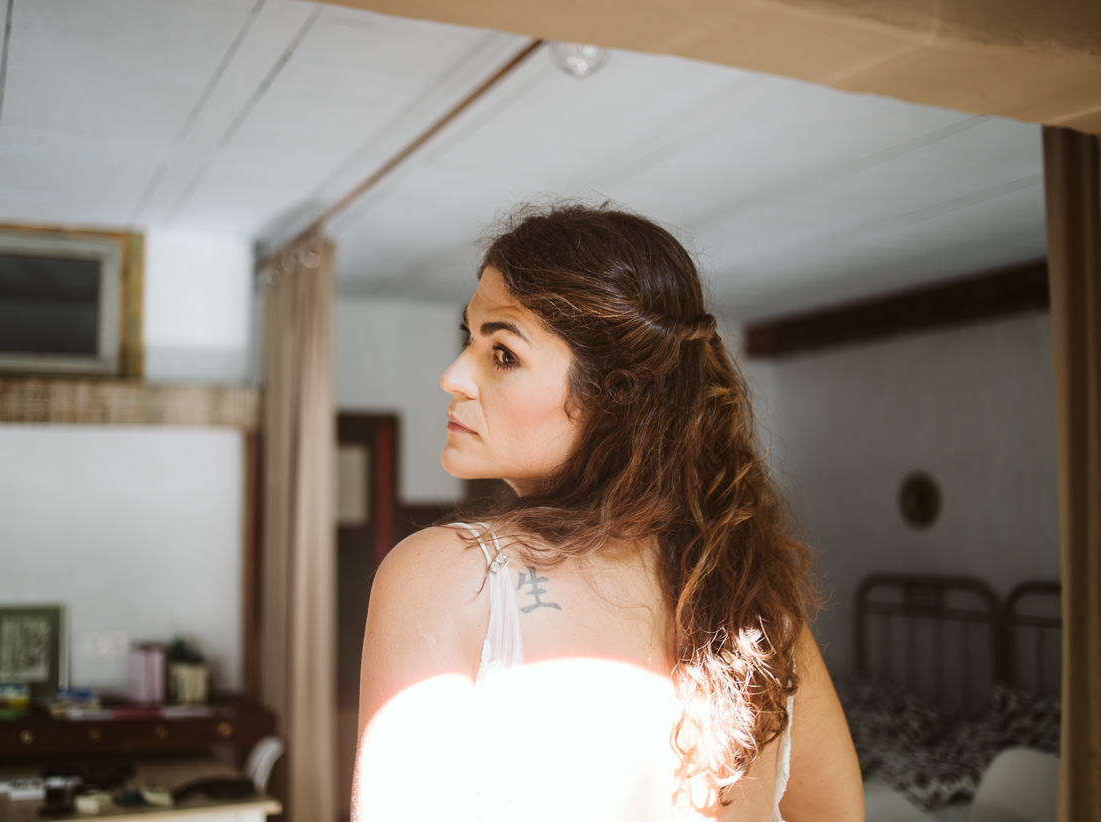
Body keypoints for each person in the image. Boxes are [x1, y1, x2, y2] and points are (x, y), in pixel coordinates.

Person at [352, 203, 863, 821]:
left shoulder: (445, 578)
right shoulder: (754, 602)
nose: (453, 375)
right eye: (470, 339)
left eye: (503, 353)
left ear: (614, 398)